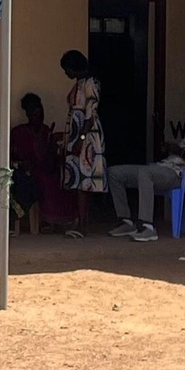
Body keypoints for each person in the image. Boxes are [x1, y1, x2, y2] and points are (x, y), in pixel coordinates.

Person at [107, 106, 185, 242]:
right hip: (161, 169)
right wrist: (167, 149)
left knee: (145, 172)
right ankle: (126, 221)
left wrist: (180, 152)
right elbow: (172, 157)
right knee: (114, 173)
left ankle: (147, 227)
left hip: (179, 176)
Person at [10, 93, 73, 232]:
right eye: (34, 113)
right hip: (29, 171)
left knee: (64, 179)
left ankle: (64, 220)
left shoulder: (46, 130)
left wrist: (52, 143)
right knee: (45, 182)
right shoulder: (18, 132)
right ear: (28, 113)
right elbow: (12, 156)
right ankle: (47, 222)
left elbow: (50, 157)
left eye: (40, 112)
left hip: (47, 168)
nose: (38, 116)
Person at [59, 50, 104, 238]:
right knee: (77, 180)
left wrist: (82, 140)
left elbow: (90, 114)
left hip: (87, 137)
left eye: (67, 69)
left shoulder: (90, 83)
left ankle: (83, 223)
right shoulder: (78, 84)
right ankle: (78, 219)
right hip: (76, 135)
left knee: (85, 181)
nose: (66, 73)